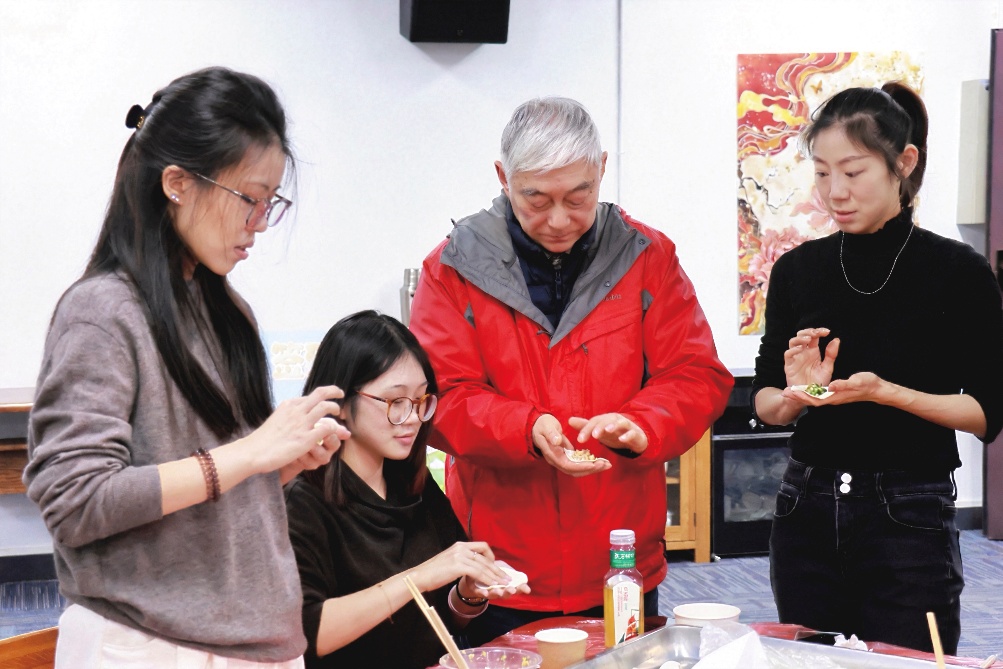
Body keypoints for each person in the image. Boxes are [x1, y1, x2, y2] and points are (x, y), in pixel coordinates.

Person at [24, 67, 350, 667]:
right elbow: (75, 501)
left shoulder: (227, 310)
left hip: (252, 640)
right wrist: (251, 453)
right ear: (177, 183)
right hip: (150, 645)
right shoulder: (103, 311)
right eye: (249, 198)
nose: (260, 222)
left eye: (271, 202)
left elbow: (211, 490)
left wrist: (279, 463)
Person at [408, 96, 733, 643]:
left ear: (602, 169)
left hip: (620, 559)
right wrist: (525, 428)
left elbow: (695, 373)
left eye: (578, 197)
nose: (558, 220)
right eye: (535, 198)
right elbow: (440, 395)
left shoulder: (647, 257)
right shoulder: (452, 268)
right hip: (499, 566)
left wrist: (644, 423)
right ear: (503, 178)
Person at [752, 82, 1003, 654]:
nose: (834, 192)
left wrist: (886, 392)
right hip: (805, 507)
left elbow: (986, 413)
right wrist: (796, 394)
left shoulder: (958, 272)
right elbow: (767, 404)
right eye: (821, 173)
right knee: (809, 661)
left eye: (853, 171)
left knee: (908, 663)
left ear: (903, 163)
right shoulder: (796, 270)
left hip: (908, 513)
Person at [284, 311, 529, 669]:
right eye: (395, 402)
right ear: (342, 404)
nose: (413, 417)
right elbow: (303, 636)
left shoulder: (412, 484)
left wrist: (468, 594)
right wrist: (419, 577)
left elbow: (437, 624)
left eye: (420, 400)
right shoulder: (301, 501)